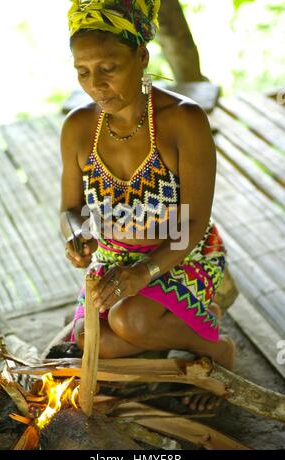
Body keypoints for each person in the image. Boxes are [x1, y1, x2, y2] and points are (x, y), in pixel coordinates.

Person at [60, 0, 235, 411]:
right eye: (83, 72)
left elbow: (194, 222)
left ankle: (216, 348)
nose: (95, 85)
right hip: (117, 256)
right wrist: (77, 236)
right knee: (88, 339)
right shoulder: (78, 127)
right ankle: (167, 339)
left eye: (108, 68)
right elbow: (70, 209)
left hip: (184, 253)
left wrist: (145, 273)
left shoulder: (183, 120)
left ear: (141, 56)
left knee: (128, 320)